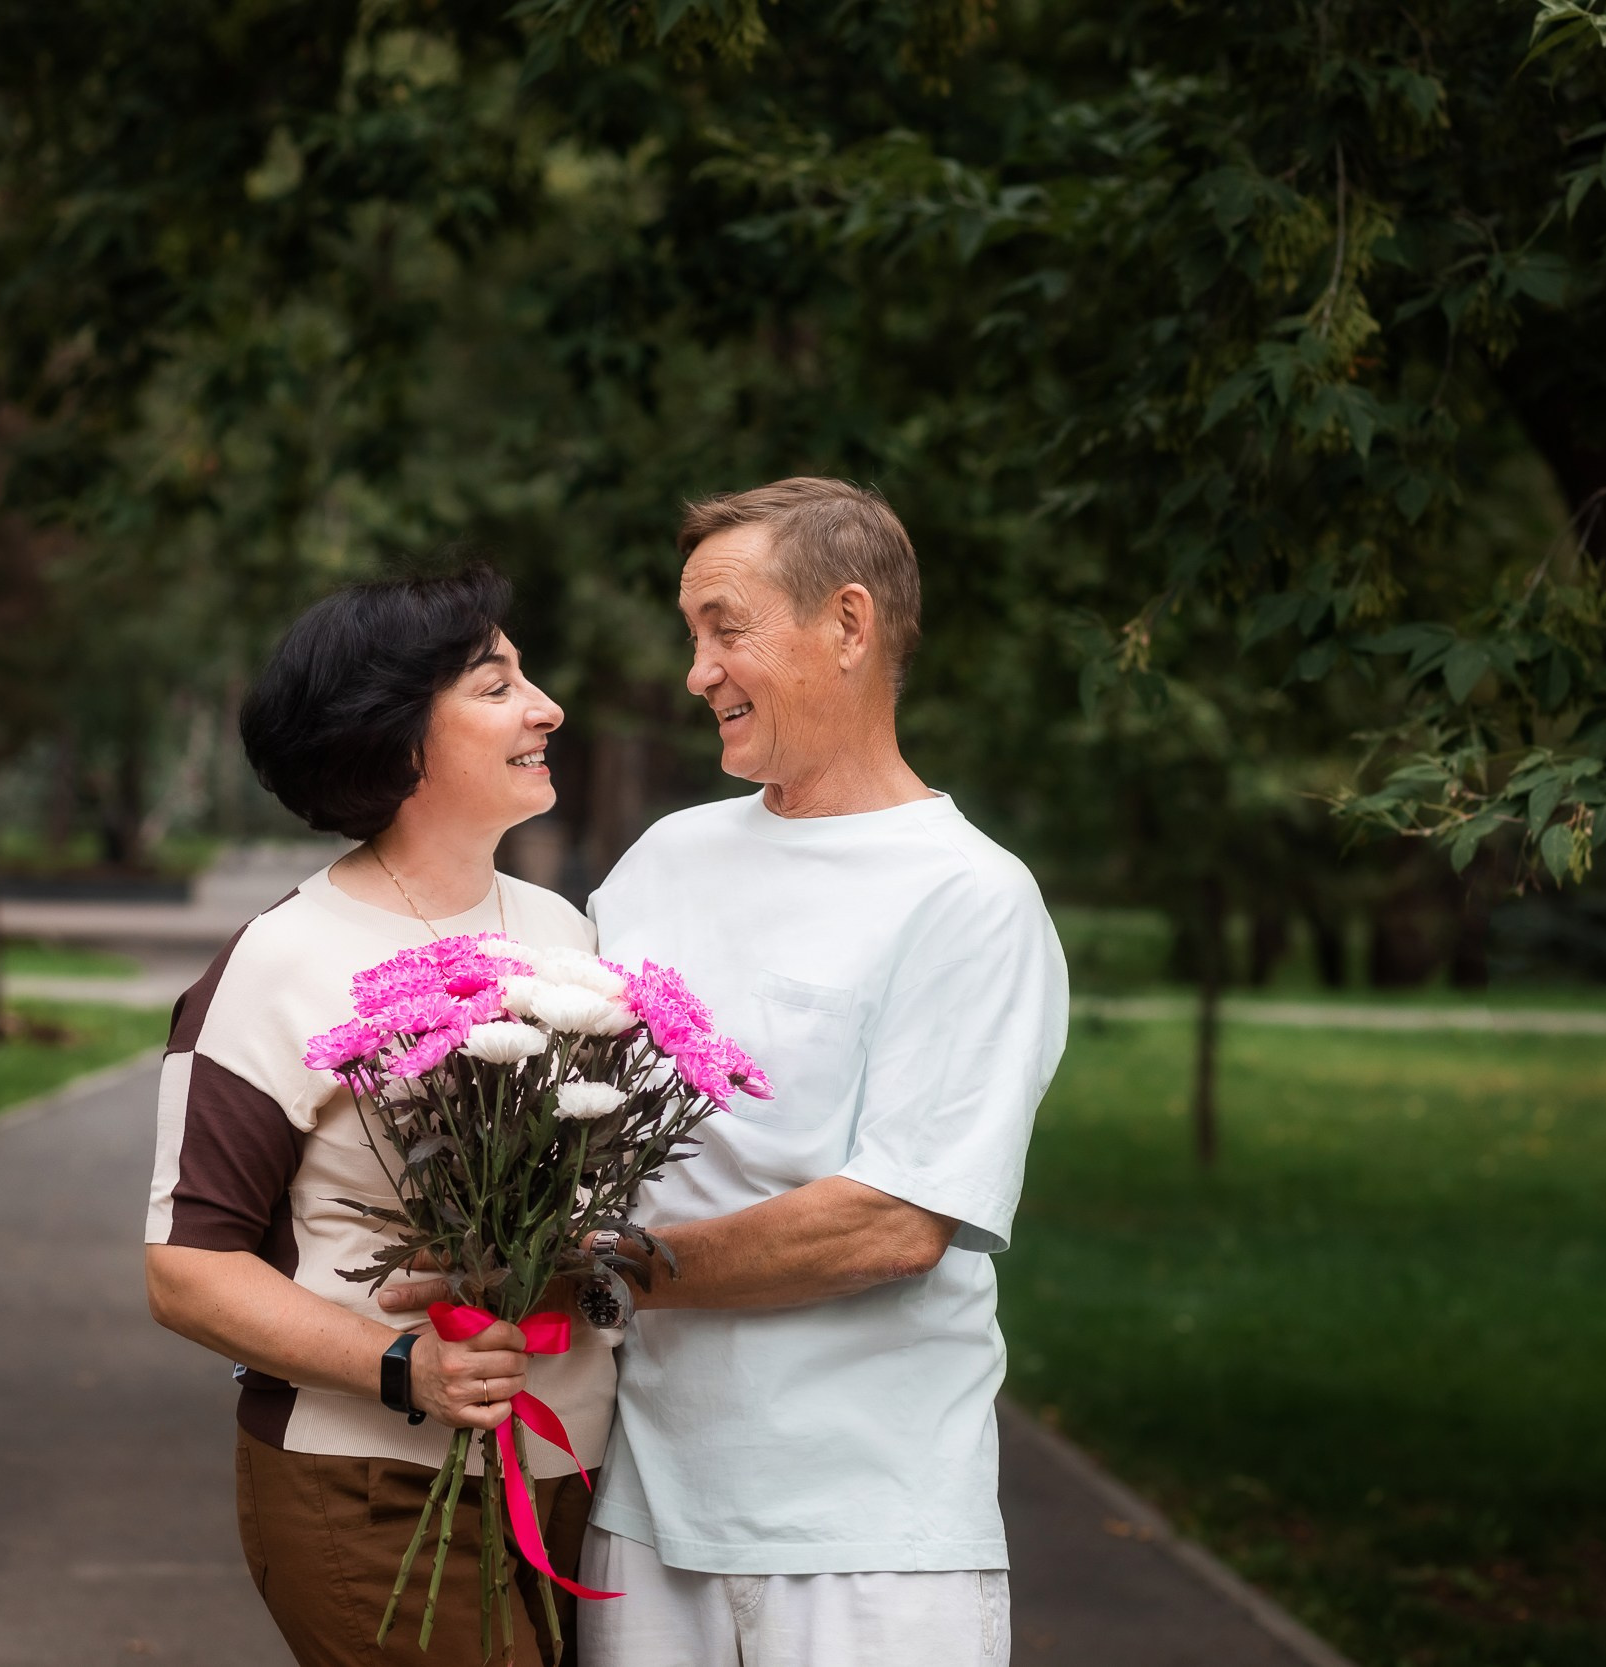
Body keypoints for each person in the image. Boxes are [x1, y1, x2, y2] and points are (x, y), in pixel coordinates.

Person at [572, 478, 1069, 1664]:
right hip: (640, 1513)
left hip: (868, 1535)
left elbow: (892, 1222)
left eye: (724, 627)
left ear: (848, 625)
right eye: (691, 632)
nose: (696, 670)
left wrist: (594, 1273)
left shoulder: (966, 894)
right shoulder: (664, 858)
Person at [144, 566, 613, 1666]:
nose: (546, 706)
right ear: (398, 740)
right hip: (373, 1483)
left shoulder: (563, 930)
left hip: (578, 1479)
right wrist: (404, 1365)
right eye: (496, 686)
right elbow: (186, 1266)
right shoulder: (280, 961)